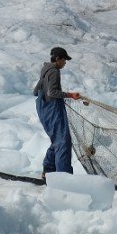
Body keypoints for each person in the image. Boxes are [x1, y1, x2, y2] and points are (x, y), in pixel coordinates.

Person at [34, 46, 79, 175]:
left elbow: (35, 91)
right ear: (58, 59)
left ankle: (48, 170)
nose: (65, 63)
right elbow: (52, 92)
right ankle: (63, 177)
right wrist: (70, 95)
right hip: (53, 110)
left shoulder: (45, 69)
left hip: (44, 110)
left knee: (57, 140)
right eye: (64, 60)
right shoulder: (54, 71)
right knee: (63, 142)